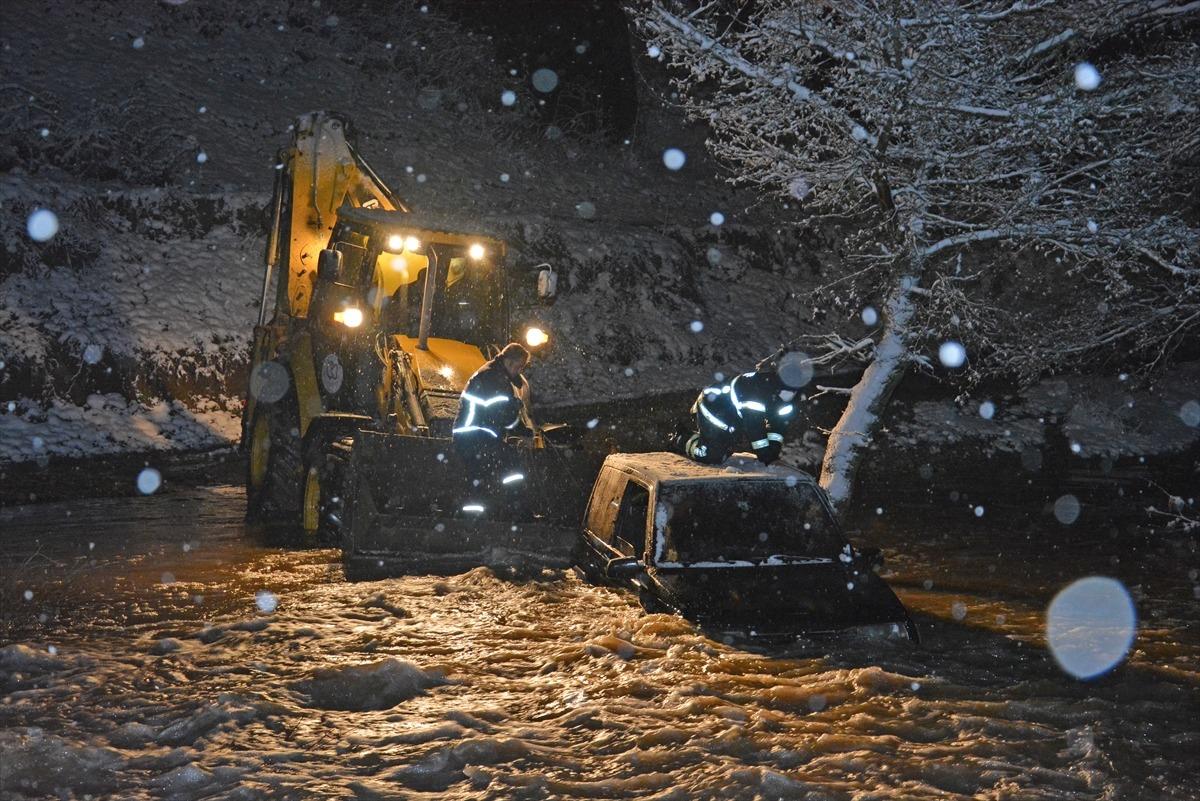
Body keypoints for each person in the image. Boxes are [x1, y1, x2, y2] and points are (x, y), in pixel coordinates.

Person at [676, 353, 807, 466]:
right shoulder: (757, 390)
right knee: (711, 456)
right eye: (786, 391)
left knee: (725, 446)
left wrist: (773, 452)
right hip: (713, 404)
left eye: (793, 392)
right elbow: (755, 429)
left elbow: (779, 426)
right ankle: (682, 438)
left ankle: (710, 440)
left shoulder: (791, 397)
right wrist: (766, 457)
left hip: (734, 414)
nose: (788, 396)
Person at [452, 342, 533, 514]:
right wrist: (524, 433)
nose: (519, 372)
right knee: (512, 466)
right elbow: (502, 416)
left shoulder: (493, 374)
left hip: (472, 435)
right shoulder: (494, 379)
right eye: (518, 367)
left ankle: (475, 517)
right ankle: (517, 512)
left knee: (479, 477)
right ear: (509, 363)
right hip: (474, 436)